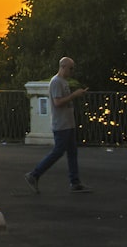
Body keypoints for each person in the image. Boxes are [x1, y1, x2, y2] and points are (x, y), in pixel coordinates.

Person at [25, 57, 92, 194]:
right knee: (58, 151)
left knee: (72, 152)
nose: (72, 71)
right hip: (61, 124)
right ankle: (34, 174)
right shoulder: (56, 82)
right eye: (71, 68)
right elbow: (57, 102)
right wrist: (74, 95)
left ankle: (75, 182)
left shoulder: (63, 82)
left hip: (68, 123)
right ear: (63, 67)